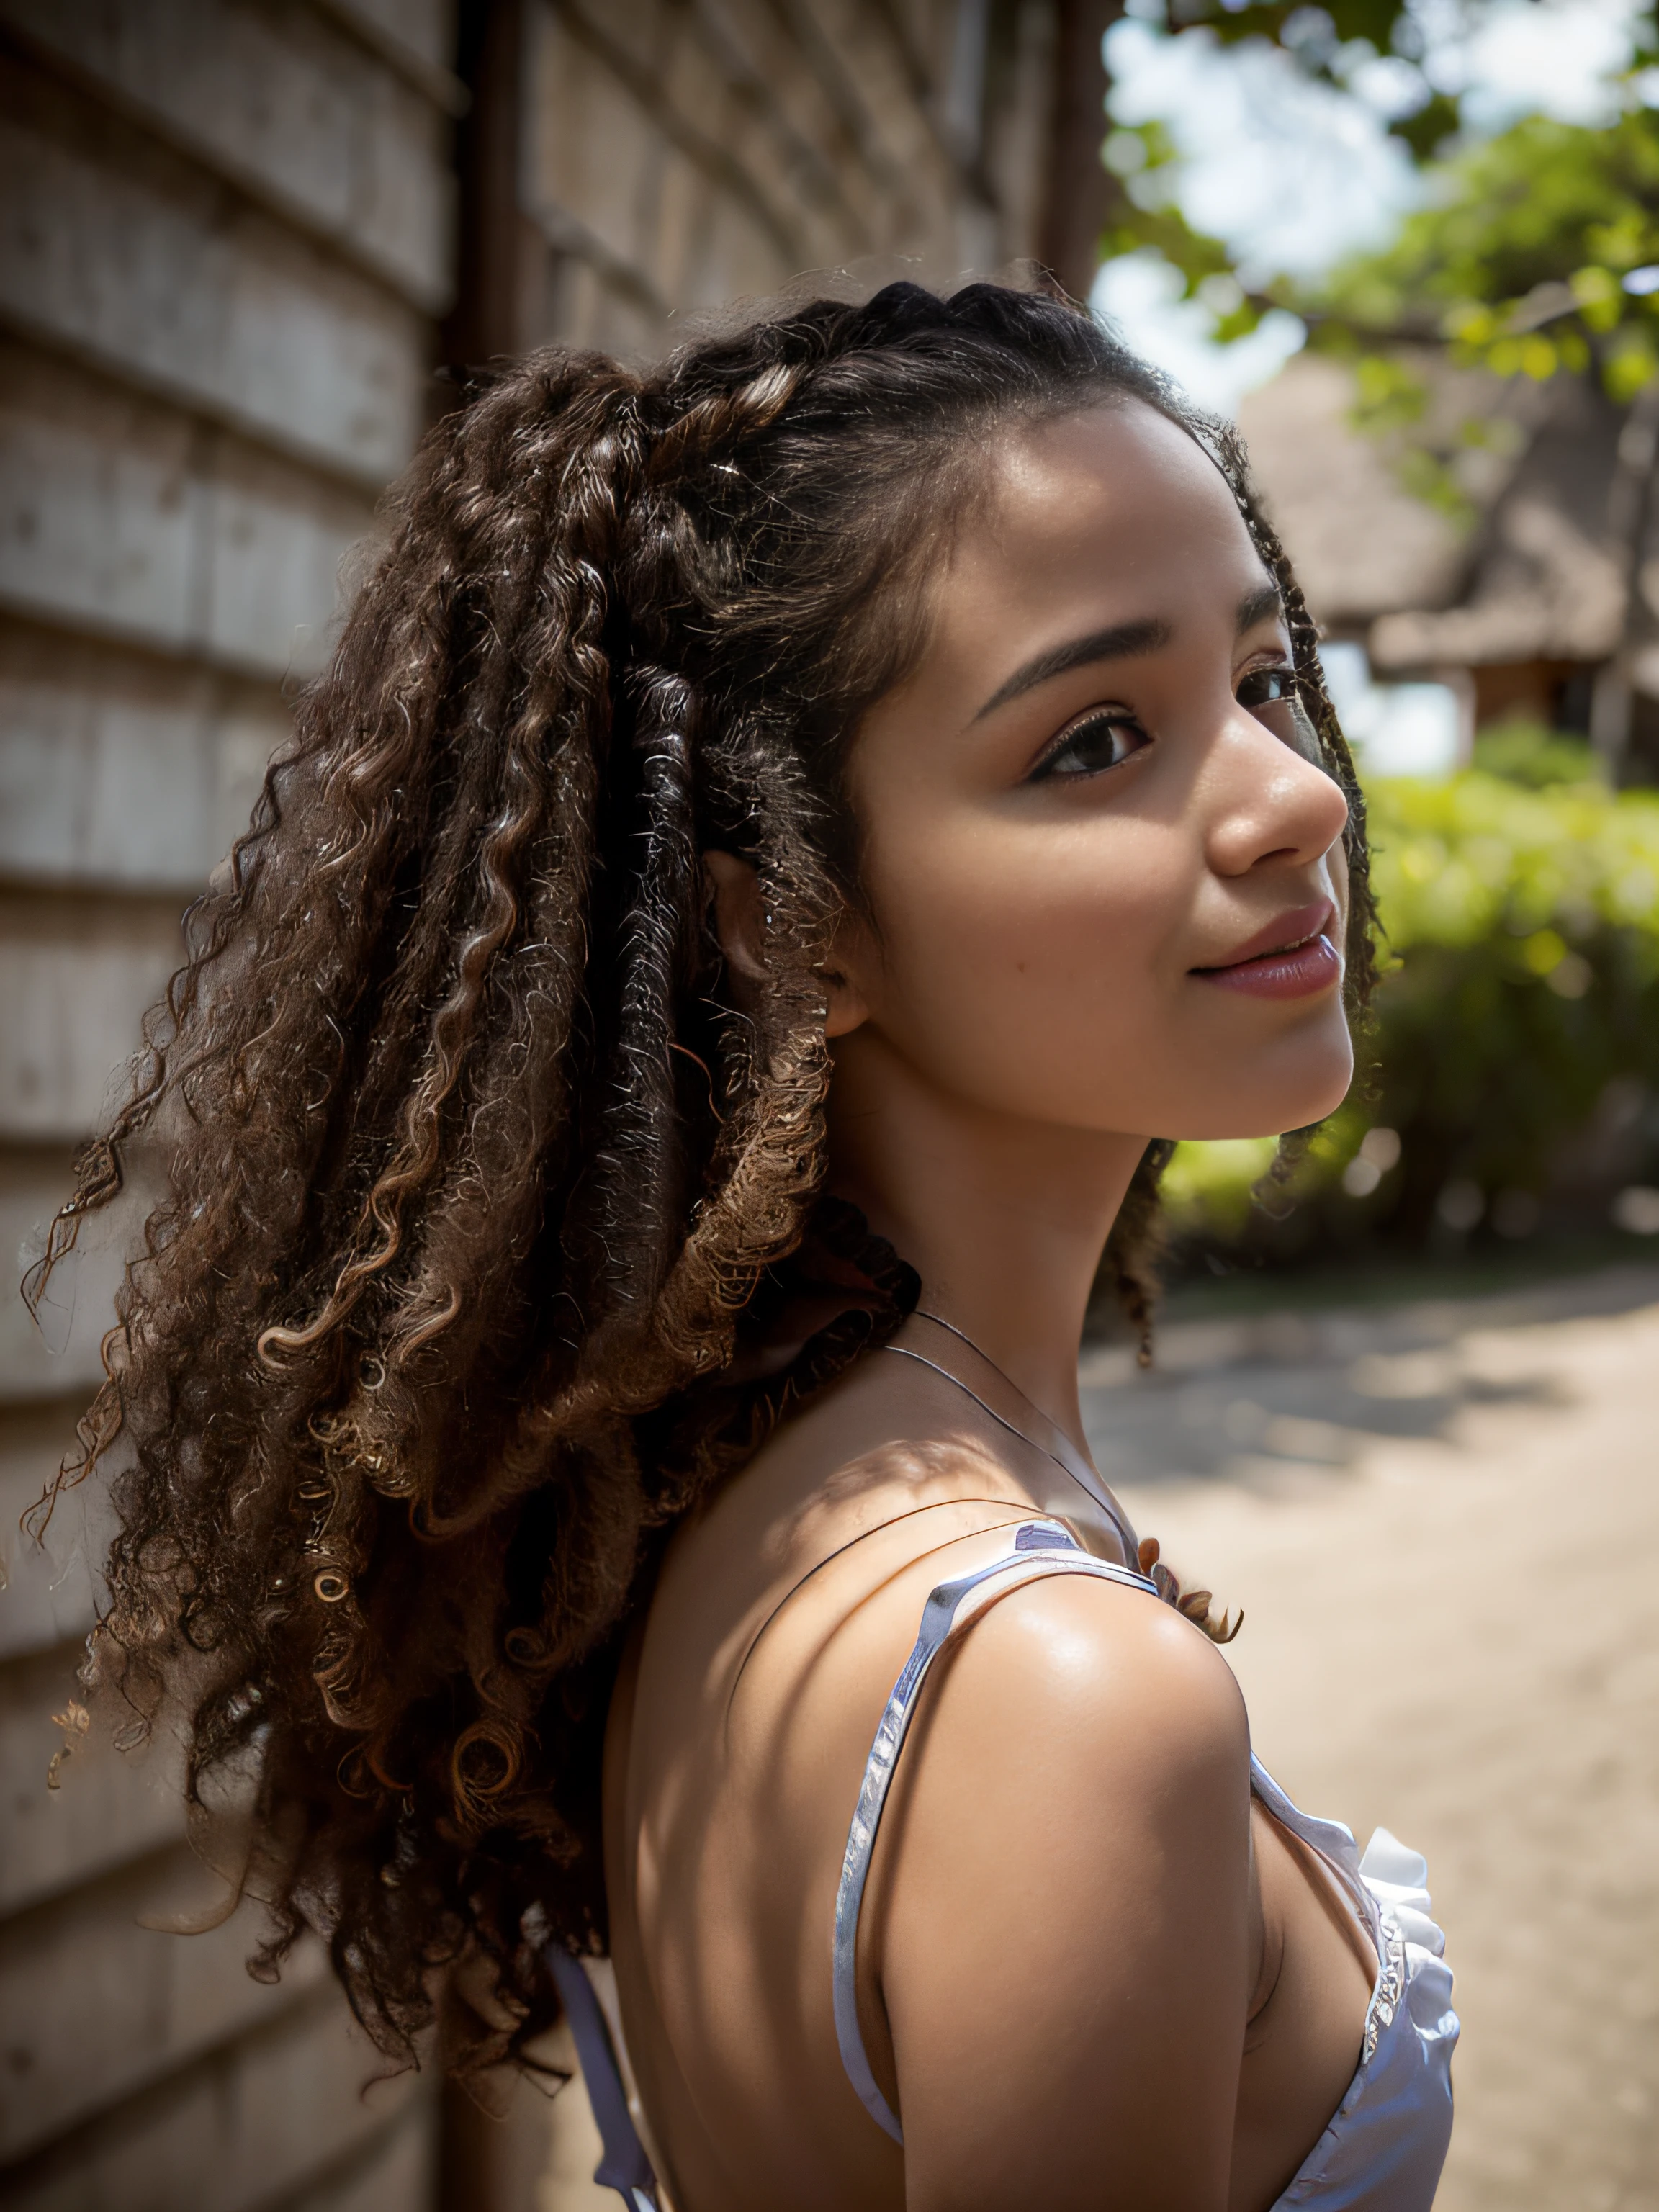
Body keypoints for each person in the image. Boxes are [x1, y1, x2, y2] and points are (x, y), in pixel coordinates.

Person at [32, 280, 1456, 2211]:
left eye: (1268, 683)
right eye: (1098, 738)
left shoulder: (757, 1511)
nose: (1296, 800)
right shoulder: (1062, 1699)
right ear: (790, 926)